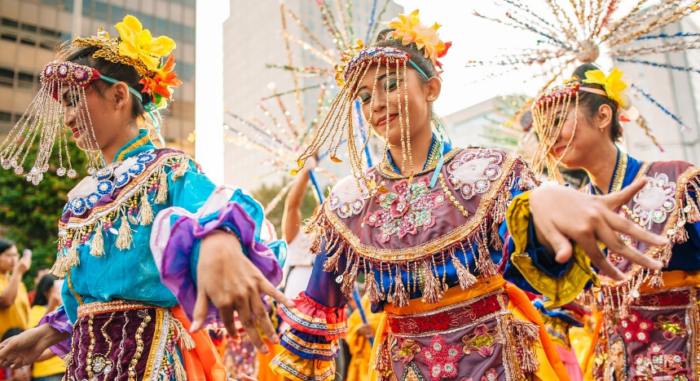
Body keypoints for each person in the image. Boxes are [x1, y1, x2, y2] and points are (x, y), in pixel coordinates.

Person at [269, 9, 665, 381]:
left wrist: (541, 203)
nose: (377, 104)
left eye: (391, 85)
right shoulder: (350, 200)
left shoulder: (488, 173)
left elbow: (537, 267)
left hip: (494, 362)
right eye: (365, 96)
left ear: (431, 89)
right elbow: (318, 316)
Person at [0, 15, 291, 381]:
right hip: (85, 362)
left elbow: (210, 212)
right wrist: (44, 333)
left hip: (150, 356)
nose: (69, 116)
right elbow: (90, 302)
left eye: (75, 100)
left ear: (119, 95)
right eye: (65, 106)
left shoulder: (169, 170)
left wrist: (220, 241)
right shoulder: (80, 199)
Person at [531, 62, 700, 380]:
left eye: (558, 121)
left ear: (603, 116)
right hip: (613, 367)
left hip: (686, 358)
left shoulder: (676, 180)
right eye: (544, 130)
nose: (549, 137)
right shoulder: (570, 209)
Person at [281, 158, 317, 301]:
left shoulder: (338, 248)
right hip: (291, 313)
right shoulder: (299, 238)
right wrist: (305, 174)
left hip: (325, 320)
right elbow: (293, 206)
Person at [27, 273, 65, 381]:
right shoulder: (36, 310)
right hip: (45, 370)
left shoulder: (64, 310)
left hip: (65, 367)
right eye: (55, 288)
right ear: (45, 291)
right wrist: (51, 306)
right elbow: (33, 333)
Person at [346, 292, 382, 381]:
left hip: (385, 359)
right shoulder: (369, 297)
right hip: (364, 362)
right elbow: (350, 324)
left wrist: (376, 329)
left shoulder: (399, 296)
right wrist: (358, 330)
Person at [0, 240, 30, 340]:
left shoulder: (19, 284)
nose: (14, 259)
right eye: (9, 255)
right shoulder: (17, 277)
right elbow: (6, 302)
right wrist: (18, 272)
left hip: (19, 341)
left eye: (16, 255)